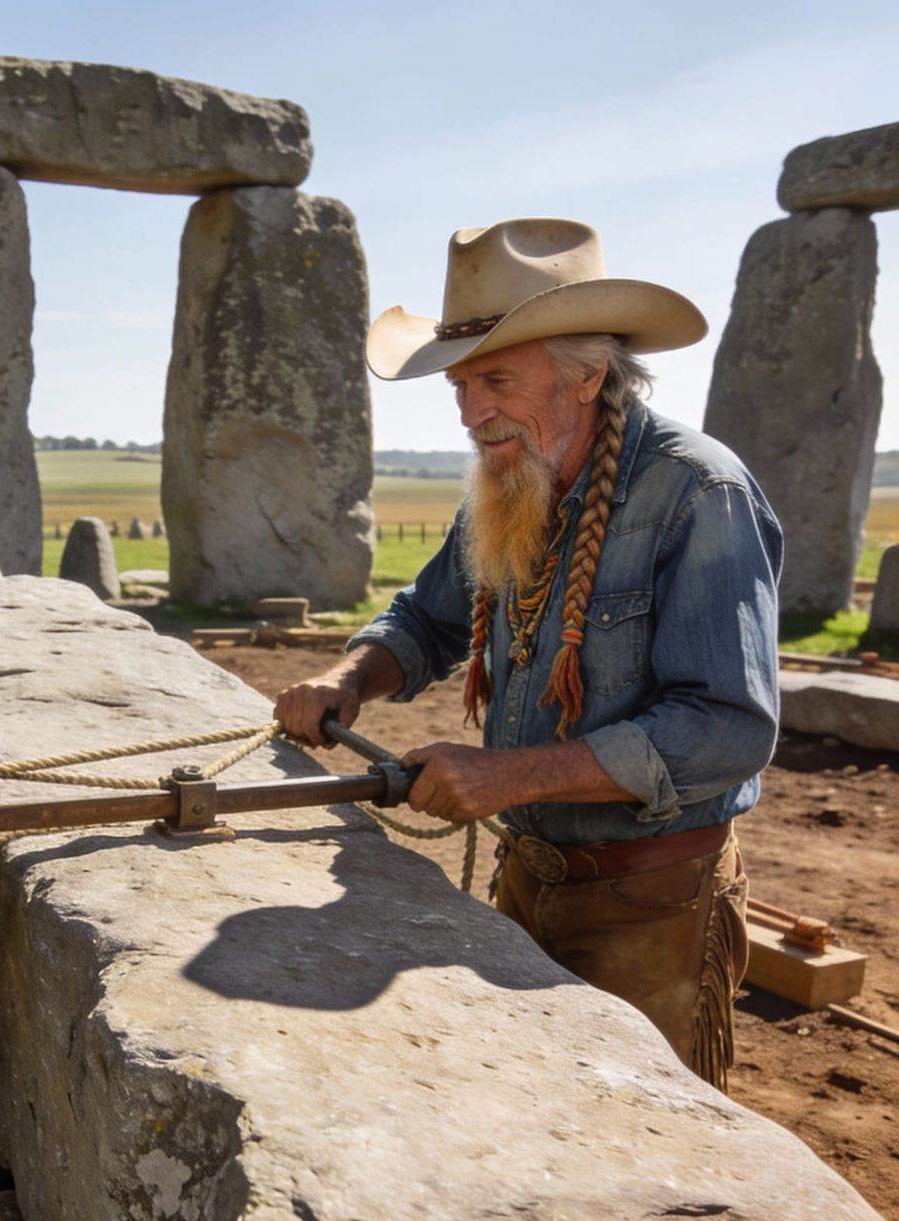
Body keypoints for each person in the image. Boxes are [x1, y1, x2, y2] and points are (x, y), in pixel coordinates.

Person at [276, 218, 782, 1091]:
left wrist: (511, 778)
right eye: (461, 386)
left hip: (653, 900)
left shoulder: (699, 493)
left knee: (639, 1137)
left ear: (588, 374)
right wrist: (348, 676)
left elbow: (727, 729)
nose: (473, 414)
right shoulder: (512, 476)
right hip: (528, 874)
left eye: (497, 381)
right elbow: (428, 622)